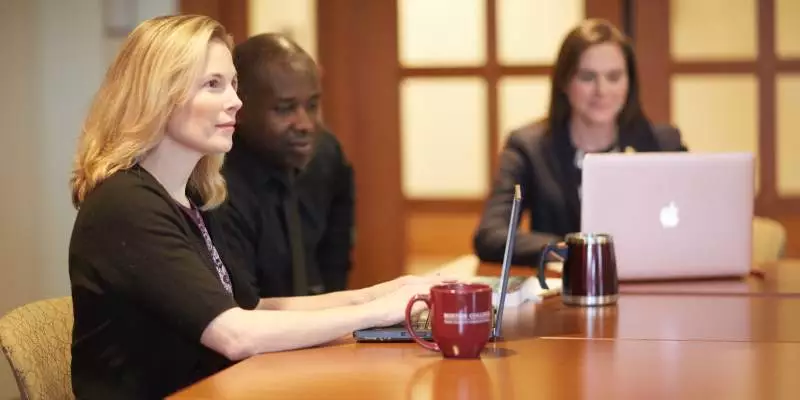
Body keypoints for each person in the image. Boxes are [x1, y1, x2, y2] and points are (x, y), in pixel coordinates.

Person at [68, 15, 440, 399]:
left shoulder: (193, 197)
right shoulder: (125, 206)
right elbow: (235, 334)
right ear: (158, 95)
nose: (235, 101)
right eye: (213, 85)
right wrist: (379, 312)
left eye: (233, 84)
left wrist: (386, 293)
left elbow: (256, 309)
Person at [473, 18, 688, 267]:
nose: (602, 90)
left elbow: (697, 222)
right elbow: (490, 234)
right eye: (587, 77)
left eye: (614, 77)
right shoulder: (528, 147)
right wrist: (566, 250)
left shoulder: (664, 144)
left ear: (629, 82)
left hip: (655, 282)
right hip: (567, 295)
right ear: (564, 82)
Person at [215, 33, 353, 297]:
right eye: (284, 109)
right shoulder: (217, 182)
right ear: (239, 108)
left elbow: (336, 259)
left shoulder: (327, 155)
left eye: (312, 105)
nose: (306, 124)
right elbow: (241, 305)